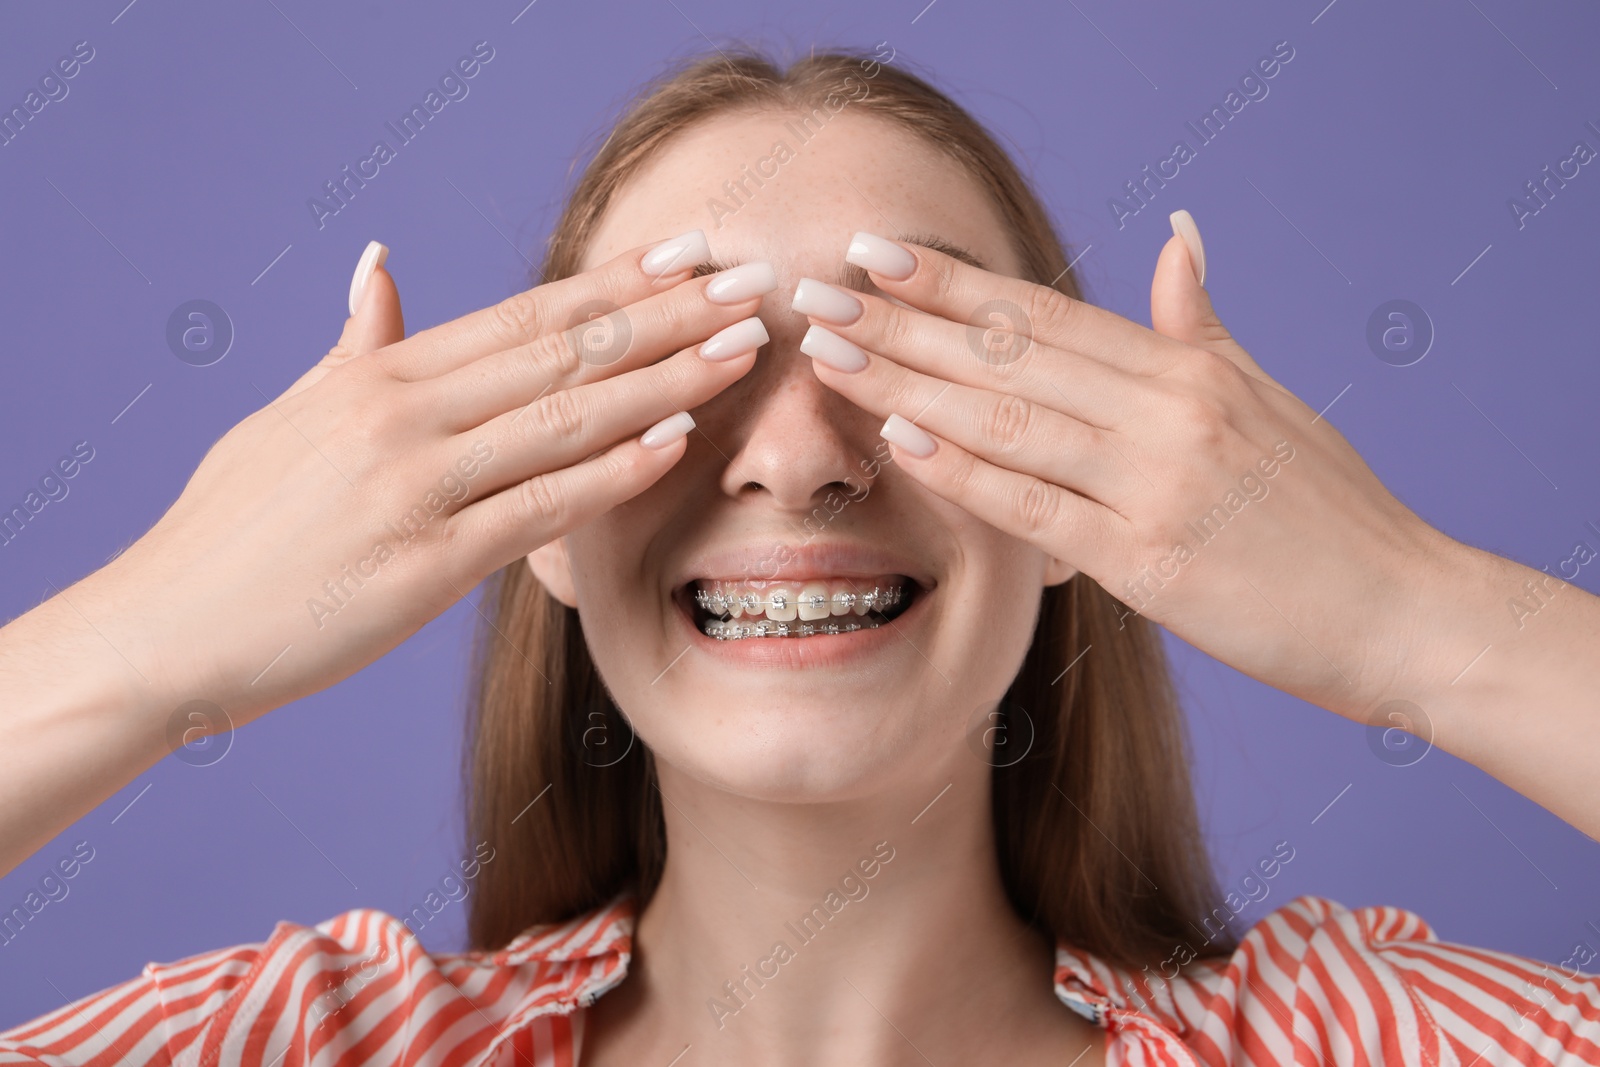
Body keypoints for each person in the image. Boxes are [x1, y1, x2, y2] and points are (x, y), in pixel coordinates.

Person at [2, 46, 1597, 1066]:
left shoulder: (1355, 1044)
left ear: (1081, 505)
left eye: (908, 356)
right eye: (676, 367)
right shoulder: (301, 1047)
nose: (791, 456)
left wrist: (1418, 619)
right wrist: (148, 644)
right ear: (539, 523)